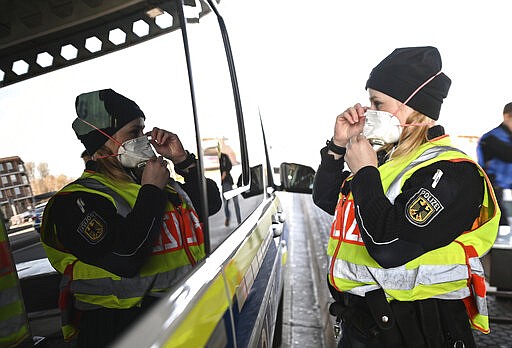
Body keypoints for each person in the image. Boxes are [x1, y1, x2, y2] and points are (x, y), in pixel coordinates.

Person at [312, 47, 500, 347]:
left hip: (419, 328)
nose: (367, 111)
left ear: (413, 106)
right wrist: (337, 146)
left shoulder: (450, 172)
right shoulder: (388, 160)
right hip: (365, 322)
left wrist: (364, 173)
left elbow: (390, 248)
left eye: (377, 103)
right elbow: (327, 200)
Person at [40, 89, 221, 347]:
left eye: (143, 131)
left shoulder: (157, 183)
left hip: (179, 317)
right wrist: (150, 192)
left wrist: (182, 160)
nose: (144, 141)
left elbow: (211, 203)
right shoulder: (76, 201)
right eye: (134, 133)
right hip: (118, 331)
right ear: (103, 141)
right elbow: (126, 258)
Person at [477, 102, 512, 233]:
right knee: (500, 227)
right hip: (492, 190)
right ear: (507, 116)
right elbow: (508, 155)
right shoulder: (491, 138)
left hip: (506, 187)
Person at [219, 152, 241, 226]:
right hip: (224, 183)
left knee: (234, 202)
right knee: (226, 203)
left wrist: (224, 172)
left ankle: (239, 220)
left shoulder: (224, 156)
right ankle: (228, 217)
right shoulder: (213, 159)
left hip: (228, 182)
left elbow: (229, 166)